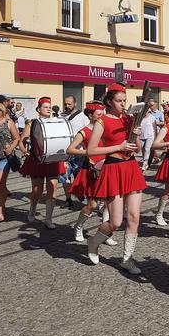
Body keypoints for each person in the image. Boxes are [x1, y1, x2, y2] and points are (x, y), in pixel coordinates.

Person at [85, 83, 147, 275]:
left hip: (131, 168)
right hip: (113, 168)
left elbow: (136, 148)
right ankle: (93, 243)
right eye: (119, 101)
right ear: (110, 102)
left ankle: (127, 259)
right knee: (115, 222)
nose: (122, 104)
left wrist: (137, 137)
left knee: (135, 217)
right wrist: (117, 147)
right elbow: (91, 150)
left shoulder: (129, 119)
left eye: (124, 101)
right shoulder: (102, 121)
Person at [68, 101, 117, 247]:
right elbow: (70, 149)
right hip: (91, 169)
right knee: (93, 205)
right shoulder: (84, 131)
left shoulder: (104, 128)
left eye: (103, 114)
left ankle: (106, 234)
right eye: (99, 115)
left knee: (109, 203)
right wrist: (87, 152)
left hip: (107, 167)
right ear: (90, 115)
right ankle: (79, 227)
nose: (102, 117)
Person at [19, 97, 67, 229]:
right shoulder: (33, 123)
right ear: (39, 110)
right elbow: (22, 141)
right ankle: (32, 208)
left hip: (53, 160)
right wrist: (25, 151)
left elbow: (61, 140)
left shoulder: (56, 122)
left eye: (49, 107)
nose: (49, 109)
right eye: (45, 107)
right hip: (37, 160)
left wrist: (64, 158)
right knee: (37, 190)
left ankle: (48, 219)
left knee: (53, 188)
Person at [60, 95, 90, 208]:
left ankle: (82, 195)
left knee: (80, 178)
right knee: (64, 177)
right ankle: (68, 200)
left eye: (69, 104)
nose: (67, 106)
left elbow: (88, 133)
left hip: (79, 153)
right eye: (65, 104)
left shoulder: (83, 117)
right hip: (65, 153)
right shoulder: (62, 117)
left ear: (75, 104)